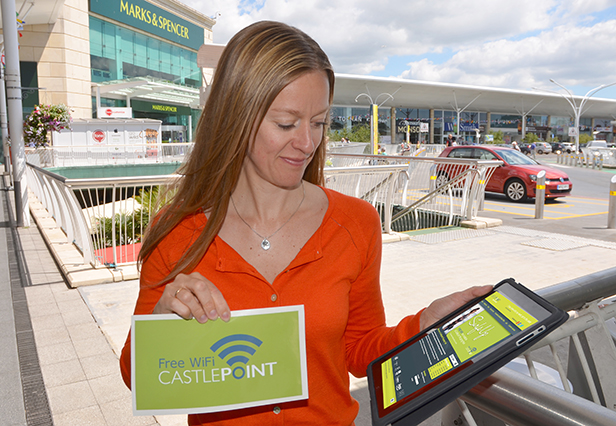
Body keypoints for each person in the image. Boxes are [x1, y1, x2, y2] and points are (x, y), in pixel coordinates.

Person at [119, 21, 490, 425]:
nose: (307, 143)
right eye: (286, 124)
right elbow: (136, 377)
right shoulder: (177, 230)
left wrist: (423, 327)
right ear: (234, 116)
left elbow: (360, 350)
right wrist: (161, 320)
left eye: (319, 123)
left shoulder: (355, 222)